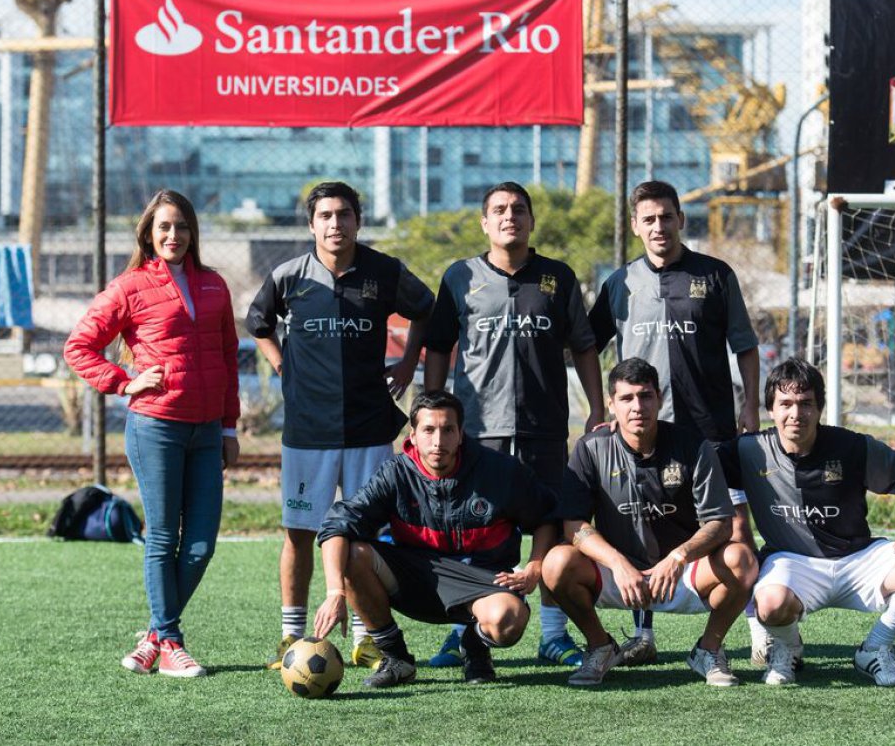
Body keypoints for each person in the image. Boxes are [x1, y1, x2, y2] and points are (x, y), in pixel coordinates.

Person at [246, 181, 434, 670]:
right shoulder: (289, 276)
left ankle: (366, 637)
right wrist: (284, 366)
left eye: (344, 214)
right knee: (299, 532)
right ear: (311, 224)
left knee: (366, 537)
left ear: (358, 220)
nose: (335, 224)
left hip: (371, 425)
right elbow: (258, 322)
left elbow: (427, 309)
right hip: (308, 431)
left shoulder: (384, 271)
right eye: (325, 216)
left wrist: (410, 361)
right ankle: (291, 636)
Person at [587, 179, 769, 666]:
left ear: (681, 219)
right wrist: (600, 408)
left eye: (666, 216)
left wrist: (751, 405)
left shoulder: (714, 275)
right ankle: (642, 632)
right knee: (640, 526)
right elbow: (586, 344)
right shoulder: (619, 283)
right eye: (648, 218)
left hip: (710, 426)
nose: (658, 226)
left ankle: (756, 628)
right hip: (641, 431)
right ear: (634, 226)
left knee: (734, 527)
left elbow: (745, 346)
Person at [423, 181, 604, 668]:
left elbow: (584, 346)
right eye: (499, 210)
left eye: (518, 210)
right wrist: (432, 413)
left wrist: (597, 408)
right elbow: (438, 346)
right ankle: (462, 631)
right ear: (485, 222)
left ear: (530, 221)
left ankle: (552, 633)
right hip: (479, 431)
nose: (510, 217)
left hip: (544, 428)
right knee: (476, 530)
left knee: (551, 525)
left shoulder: (557, 278)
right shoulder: (460, 276)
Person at [64, 189, 240, 678]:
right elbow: (79, 346)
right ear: (148, 233)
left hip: (206, 432)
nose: (173, 235)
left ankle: (155, 635)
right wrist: (124, 382)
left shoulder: (214, 285)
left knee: (201, 545)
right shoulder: (129, 286)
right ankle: (173, 643)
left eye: (181, 226)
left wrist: (228, 426)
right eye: (163, 227)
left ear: (192, 232)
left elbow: (228, 357)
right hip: (156, 427)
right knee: (163, 538)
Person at [715, 358, 895, 687]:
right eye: (786, 404)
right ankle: (787, 646)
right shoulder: (750, 450)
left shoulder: (851, 446)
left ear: (820, 408)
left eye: (806, 403)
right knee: (771, 603)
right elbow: (698, 467)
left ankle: (875, 647)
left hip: (857, 559)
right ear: (770, 409)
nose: (796, 414)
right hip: (793, 562)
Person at [312, 390, 559, 688]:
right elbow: (336, 524)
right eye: (428, 430)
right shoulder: (395, 474)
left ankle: (474, 645)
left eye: (447, 430)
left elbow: (547, 517)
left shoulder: (500, 471)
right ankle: (396, 659)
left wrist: (534, 566)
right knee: (353, 554)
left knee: (509, 620)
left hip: (482, 581)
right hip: (416, 578)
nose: (438, 441)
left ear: (461, 434)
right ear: (413, 435)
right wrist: (335, 592)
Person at [542, 358, 756, 686]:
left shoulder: (692, 445)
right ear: (611, 404)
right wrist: (617, 563)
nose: (637, 406)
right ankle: (600, 647)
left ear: (659, 398)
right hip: (619, 576)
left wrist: (679, 557)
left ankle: (708, 649)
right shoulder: (590, 449)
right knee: (556, 563)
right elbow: (573, 525)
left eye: (645, 396)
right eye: (626, 399)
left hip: (681, 574)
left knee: (741, 559)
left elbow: (721, 523)